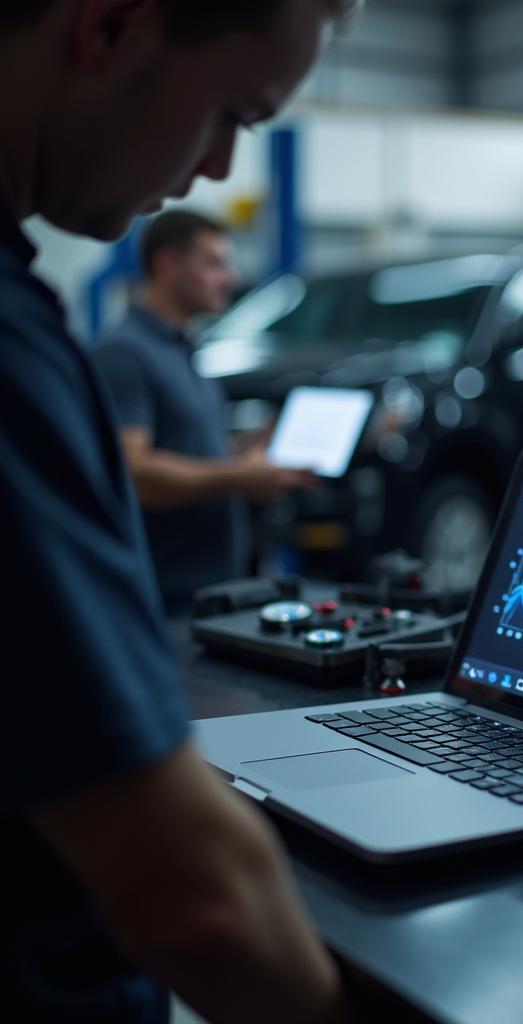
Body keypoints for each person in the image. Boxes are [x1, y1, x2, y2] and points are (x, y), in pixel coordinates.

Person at [0, 2, 358, 1021]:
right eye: (232, 112)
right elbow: (196, 899)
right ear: (108, 27)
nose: (216, 170)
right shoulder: (22, 352)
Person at [92, 209, 314, 615]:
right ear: (167, 263)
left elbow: (188, 447)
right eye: (213, 263)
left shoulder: (182, 350)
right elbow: (134, 472)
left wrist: (251, 445)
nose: (228, 277)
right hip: (163, 597)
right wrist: (240, 476)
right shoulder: (124, 353)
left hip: (209, 589)